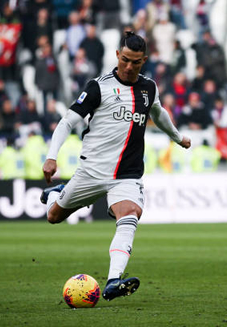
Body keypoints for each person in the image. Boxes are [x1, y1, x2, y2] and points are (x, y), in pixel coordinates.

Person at [40, 32, 191, 301]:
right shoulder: (98, 87)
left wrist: (178, 138)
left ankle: (113, 281)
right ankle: (55, 194)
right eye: (124, 60)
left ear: (144, 60)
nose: (129, 67)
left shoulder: (148, 88)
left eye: (135, 62)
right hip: (92, 171)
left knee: (130, 214)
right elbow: (66, 122)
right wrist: (52, 156)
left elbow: (159, 113)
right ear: (117, 56)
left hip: (126, 174)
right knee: (53, 216)